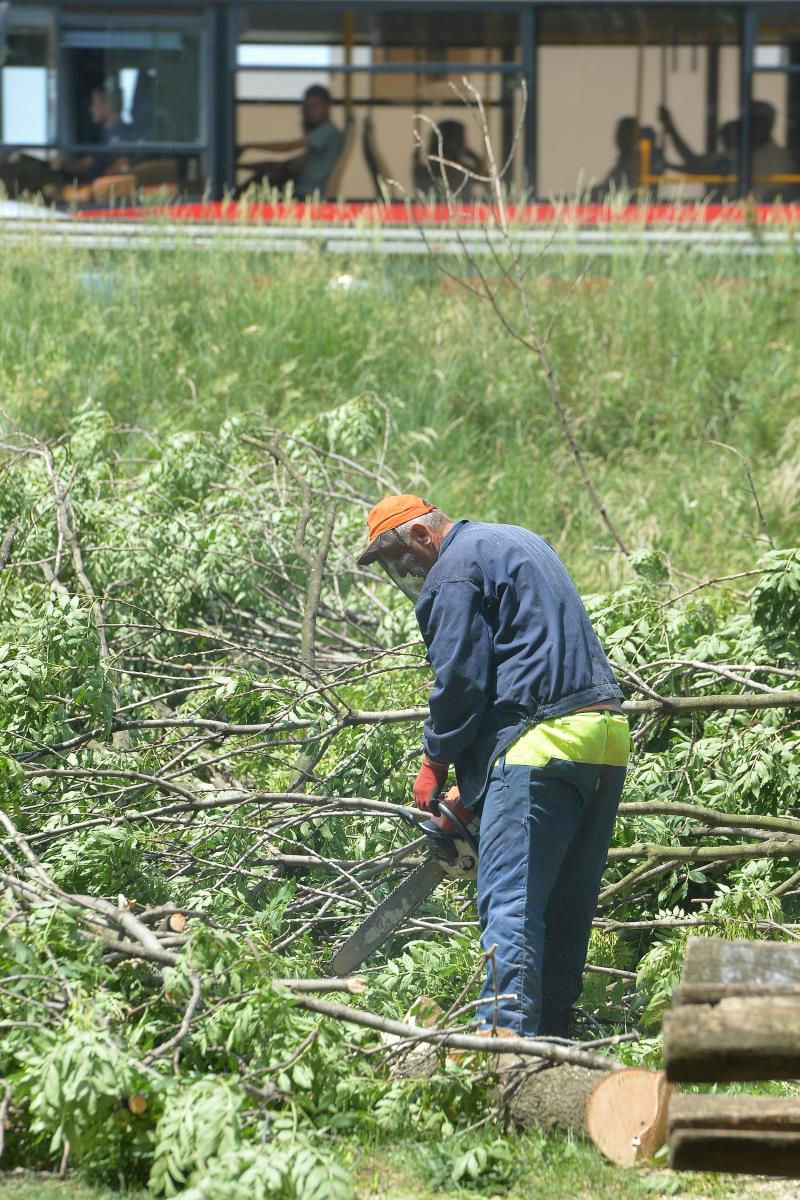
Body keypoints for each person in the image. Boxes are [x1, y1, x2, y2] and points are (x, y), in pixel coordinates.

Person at [357, 494, 629, 1039]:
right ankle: (554, 1047)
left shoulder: (452, 572)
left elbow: (463, 680)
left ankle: (503, 1052)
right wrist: (475, 787)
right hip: (603, 739)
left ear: (421, 535)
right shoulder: (516, 540)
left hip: (539, 744)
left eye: (400, 555)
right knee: (565, 911)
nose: (405, 570)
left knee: (511, 908)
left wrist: (436, 763)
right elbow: (524, 661)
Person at [0, 83, 131, 198]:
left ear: (107, 105)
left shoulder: (121, 135)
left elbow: (91, 164)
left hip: (93, 191)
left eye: (94, 103)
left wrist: (60, 166)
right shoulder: (108, 134)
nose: (91, 109)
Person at [234, 84, 344, 200]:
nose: (311, 110)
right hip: (301, 191)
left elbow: (288, 147)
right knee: (262, 179)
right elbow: (281, 166)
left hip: (305, 195)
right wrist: (241, 166)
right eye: (307, 106)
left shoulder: (327, 131)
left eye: (316, 105)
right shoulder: (316, 148)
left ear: (327, 106)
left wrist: (249, 146)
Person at [658, 106, 739, 201]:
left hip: (725, 204)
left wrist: (671, 128)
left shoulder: (731, 159)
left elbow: (694, 165)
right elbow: (693, 162)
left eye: (725, 137)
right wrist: (671, 129)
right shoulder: (732, 157)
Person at [592, 116, 664, 199]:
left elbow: (617, 191)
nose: (619, 138)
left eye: (624, 133)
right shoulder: (625, 162)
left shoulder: (637, 164)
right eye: (619, 133)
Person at [413, 120, 484, 201]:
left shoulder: (424, 170)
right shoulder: (461, 171)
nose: (464, 142)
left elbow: (483, 179)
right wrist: (471, 155)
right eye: (462, 139)